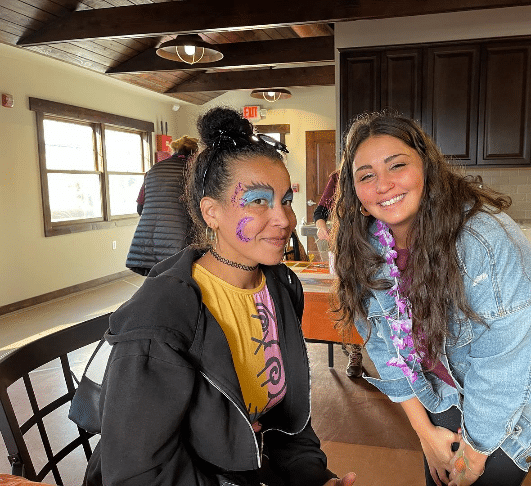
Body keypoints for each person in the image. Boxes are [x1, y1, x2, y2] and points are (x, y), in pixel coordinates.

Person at [84, 107, 356, 486]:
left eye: (287, 200)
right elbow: (136, 474)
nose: (285, 219)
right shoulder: (160, 318)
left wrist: (312, 477)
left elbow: (287, 424)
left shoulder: (280, 287)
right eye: (259, 201)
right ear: (211, 212)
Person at [330, 112, 531, 486]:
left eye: (397, 165)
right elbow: (386, 348)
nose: (383, 184)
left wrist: (474, 456)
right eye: (366, 175)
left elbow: (504, 365)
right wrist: (425, 434)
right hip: (442, 385)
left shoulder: (482, 240)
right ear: (357, 196)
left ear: (428, 170)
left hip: (516, 392)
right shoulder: (365, 247)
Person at [313, 170, 364, 378]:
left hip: (370, 246)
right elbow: (320, 212)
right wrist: (321, 227)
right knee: (349, 300)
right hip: (342, 248)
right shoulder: (336, 178)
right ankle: (356, 352)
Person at [125, 135, 199, 276]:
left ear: (174, 150)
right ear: (195, 152)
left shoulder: (153, 170)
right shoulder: (192, 170)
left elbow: (140, 207)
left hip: (146, 240)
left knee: (157, 283)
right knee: (180, 282)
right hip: (179, 239)